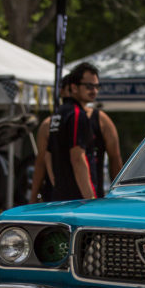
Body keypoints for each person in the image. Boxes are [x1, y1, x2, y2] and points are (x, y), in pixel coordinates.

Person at [49, 62, 101, 201]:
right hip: (77, 200)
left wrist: (58, 186)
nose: (94, 91)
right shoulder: (77, 114)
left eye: (97, 86)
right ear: (74, 87)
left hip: (61, 196)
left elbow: (48, 156)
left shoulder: (58, 114)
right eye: (89, 86)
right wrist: (90, 199)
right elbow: (78, 158)